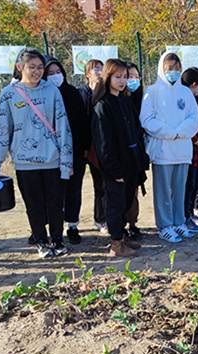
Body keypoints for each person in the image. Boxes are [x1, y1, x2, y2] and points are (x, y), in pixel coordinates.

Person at [0, 48, 73, 258]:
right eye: (31, 67)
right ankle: (41, 241)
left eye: (40, 68)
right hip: (25, 162)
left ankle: (57, 239)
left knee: (55, 204)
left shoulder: (52, 91)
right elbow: (2, 129)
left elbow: (63, 125)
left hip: (52, 160)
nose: (37, 72)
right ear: (20, 67)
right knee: (34, 205)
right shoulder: (8, 94)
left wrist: (66, 159)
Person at [140, 52, 198, 243]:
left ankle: (178, 222)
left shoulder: (185, 93)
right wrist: (169, 132)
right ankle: (165, 225)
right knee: (163, 190)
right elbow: (147, 119)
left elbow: (194, 118)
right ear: (162, 68)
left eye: (176, 68)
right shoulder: (152, 91)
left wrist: (181, 131)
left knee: (179, 188)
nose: (173, 72)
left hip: (182, 149)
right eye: (169, 68)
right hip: (163, 150)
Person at [91, 59, 148, 257]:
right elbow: (103, 143)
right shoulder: (102, 106)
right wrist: (113, 170)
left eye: (125, 77)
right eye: (118, 77)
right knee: (115, 204)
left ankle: (123, 238)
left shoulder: (125, 101)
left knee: (125, 203)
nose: (122, 81)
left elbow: (136, 132)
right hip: (116, 167)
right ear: (108, 77)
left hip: (131, 163)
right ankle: (115, 244)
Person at [43, 56, 89, 245]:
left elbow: (82, 123)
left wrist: (85, 148)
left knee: (73, 190)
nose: (56, 76)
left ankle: (72, 225)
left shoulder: (72, 93)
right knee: (54, 193)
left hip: (75, 152)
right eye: (51, 73)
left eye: (58, 72)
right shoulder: (42, 95)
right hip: (51, 154)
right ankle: (53, 228)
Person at [78, 59, 108, 234]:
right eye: (95, 68)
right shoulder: (81, 93)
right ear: (87, 73)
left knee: (101, 185)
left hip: (100, 148)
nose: (98, 71)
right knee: (76, 186)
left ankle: (101, 219)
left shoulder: (105, 93)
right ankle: (72, 222)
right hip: (83, 146)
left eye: (101, 68)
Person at [181, 67, 198, 235]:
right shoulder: (183, 101)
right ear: (193, 84)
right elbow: (187, 126)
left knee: (196, 183)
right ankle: (185, 215)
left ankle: (190, 214)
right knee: (188, 184)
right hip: (190, 148)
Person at [125, 62, 147, 240]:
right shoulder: (118, 100)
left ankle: (133, 223)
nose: (132, 80)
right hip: (123, 152)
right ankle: (119, 225)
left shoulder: (144, 98)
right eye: (128, 76)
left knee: (134, 190)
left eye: (135, 76)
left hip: (138, 152)